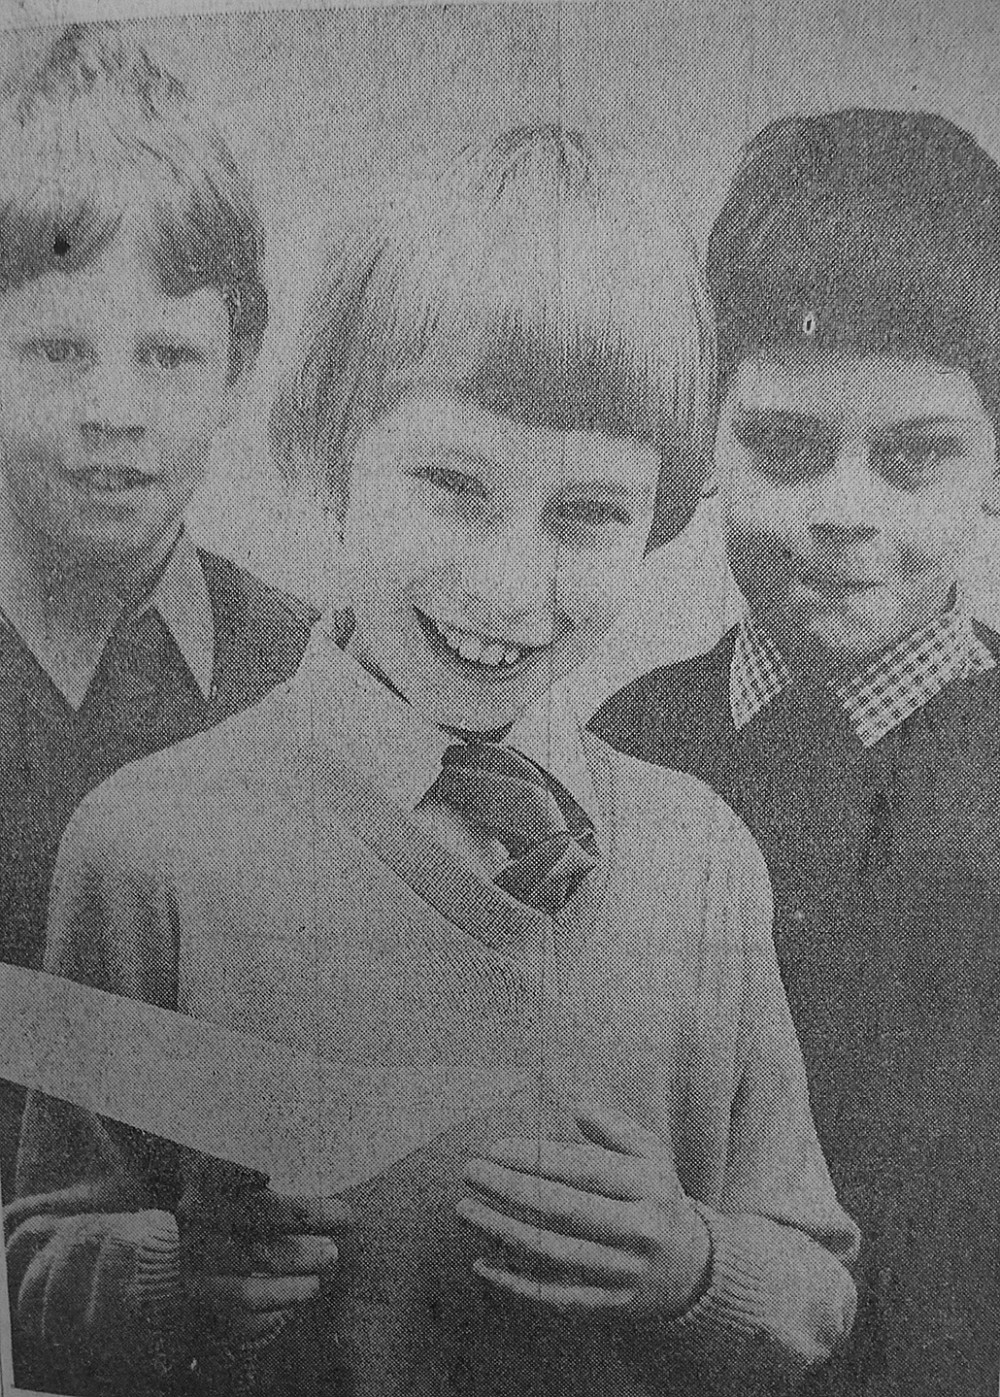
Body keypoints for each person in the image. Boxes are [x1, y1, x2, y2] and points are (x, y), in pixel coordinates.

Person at [8, 125, 857, 1397]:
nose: (511, 586)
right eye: (454, 485)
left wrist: (695, 1265)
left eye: (589, 515)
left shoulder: (702, 861)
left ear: (663, 517)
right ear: (326, 460)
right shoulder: (151, 845)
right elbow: (43, 1276)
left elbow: (811, 1280)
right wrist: (171, 1271)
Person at [591, 108, 1000, 1397]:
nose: (841, 509)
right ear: (707, 432)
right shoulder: (621, 752)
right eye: (782, 444)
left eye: (912, 457)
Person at [0, 24, 317, 1203]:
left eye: (170, 356)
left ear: (240, 366)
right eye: (56, 350)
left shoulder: (308, 671)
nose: (114, 409)